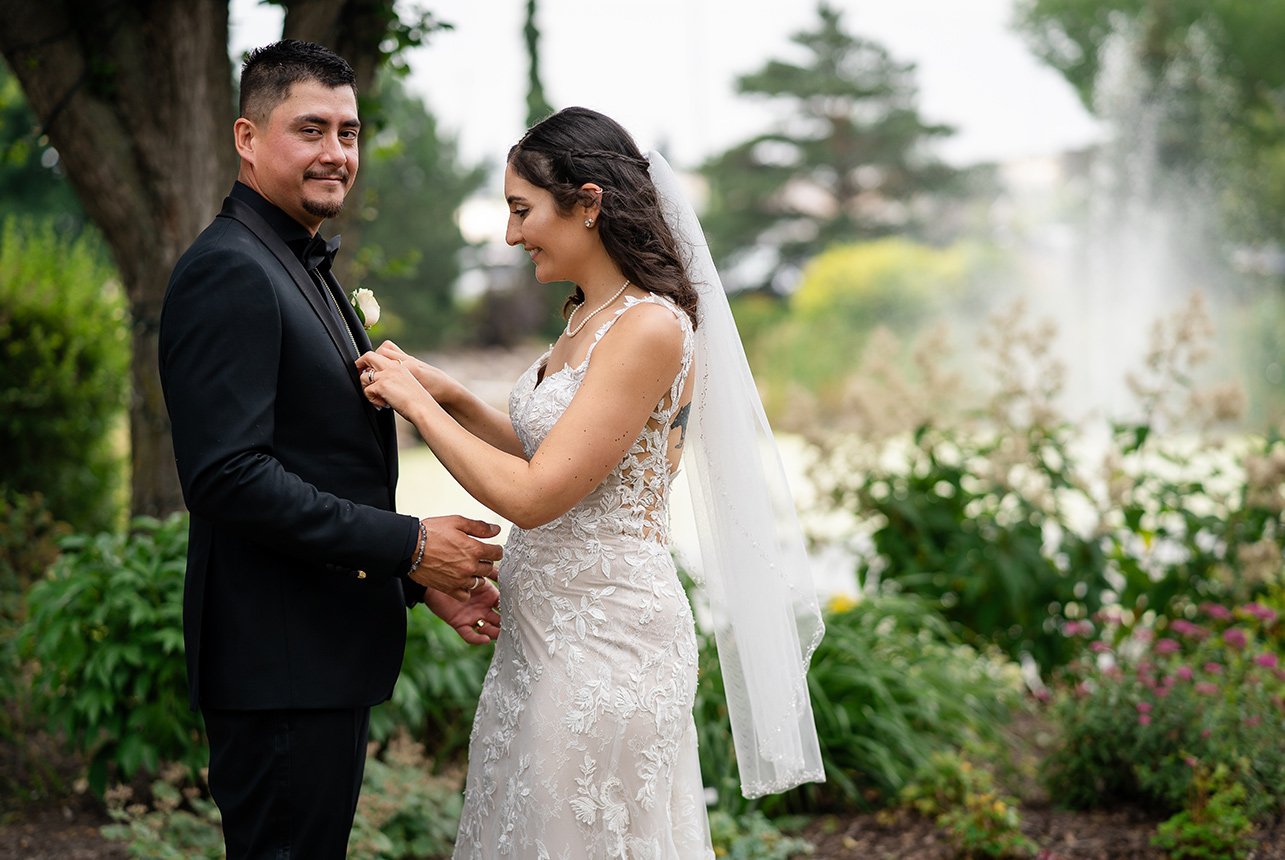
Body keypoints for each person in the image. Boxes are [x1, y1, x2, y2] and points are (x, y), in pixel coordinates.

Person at [359, 106, 825, 859]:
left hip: (608, 640)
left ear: (587, 202)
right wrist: (449, 394)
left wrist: (415, 409)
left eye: (521, 210)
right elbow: (565, 448)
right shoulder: (584, 316)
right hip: (539, 636)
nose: (511, 235)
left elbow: (537, 494)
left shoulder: (649, 327)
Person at [157, 40, 504, 860]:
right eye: (310, 130)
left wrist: (411, 579)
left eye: (348, 133)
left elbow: (315, 461)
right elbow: (229, 479)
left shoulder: (296, 260)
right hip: (277, 661)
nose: (336, 154)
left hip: (312, 653)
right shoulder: (230, 270)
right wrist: (412, 545)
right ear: (246, 137)